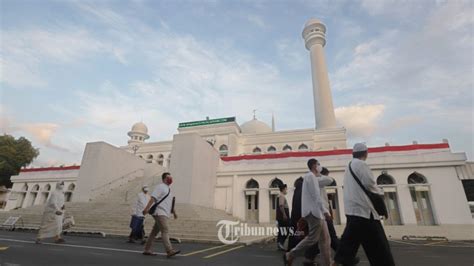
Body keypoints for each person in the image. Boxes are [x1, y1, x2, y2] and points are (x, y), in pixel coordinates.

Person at [333, 143, 395, 266]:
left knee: (348, 246)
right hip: (365, 212)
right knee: (379, 248)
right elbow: (370, 185)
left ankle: (336, 263)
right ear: (366, 153)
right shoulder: (362, 164)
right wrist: (380, 194)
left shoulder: (349, 166)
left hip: (353, 211)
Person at [306, 168, 360, 265]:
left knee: (317, 237)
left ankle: (308, 258)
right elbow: (329, 180)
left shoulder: (317, 184)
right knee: (331, 237)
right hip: (322, 214)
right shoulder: (318, 181)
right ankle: (346, 257)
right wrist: (327, 213)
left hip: (321, 214)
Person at [284, 159, 331, 266]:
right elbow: (316, 196)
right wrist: (325, 211)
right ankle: (291, 254)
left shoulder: (311, 177)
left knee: (325, 239)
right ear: (314, 166)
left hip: (316, 212)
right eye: (319, 164)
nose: (320, 167)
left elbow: (329, 180)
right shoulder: (310, 176)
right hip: (314, 213)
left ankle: (328, 263)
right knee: (313, 239)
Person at [142, 172, 180, 258]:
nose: (170, 179)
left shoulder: (169, 190)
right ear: (164, 179)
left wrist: (174, 212)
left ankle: (147, 249)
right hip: (160, 212)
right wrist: (146, 208)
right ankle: (169, 250)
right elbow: (153, 198)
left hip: (165, 213)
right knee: (165, 230)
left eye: (171, 177)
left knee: (154, 232)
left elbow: (170, 203)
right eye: (168, 177)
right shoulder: (160, 187)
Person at [287, 177, 303, 251]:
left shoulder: (296, 192)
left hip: (294, 216)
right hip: (300, 215)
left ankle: (291, 247)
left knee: (293, 233)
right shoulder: (302, 192)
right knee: (300, 232)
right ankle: (298, 248)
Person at [276, 183, 290, 251]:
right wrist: (284, 214)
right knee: (286, 230)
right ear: (283, 189)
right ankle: (280, 243)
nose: (286, 190)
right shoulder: (281, 196)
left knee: (282, 230)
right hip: (283, 217)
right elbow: (281, 205)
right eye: (286, 189)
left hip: (281, 217)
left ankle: (280, 243)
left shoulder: (280, 196)